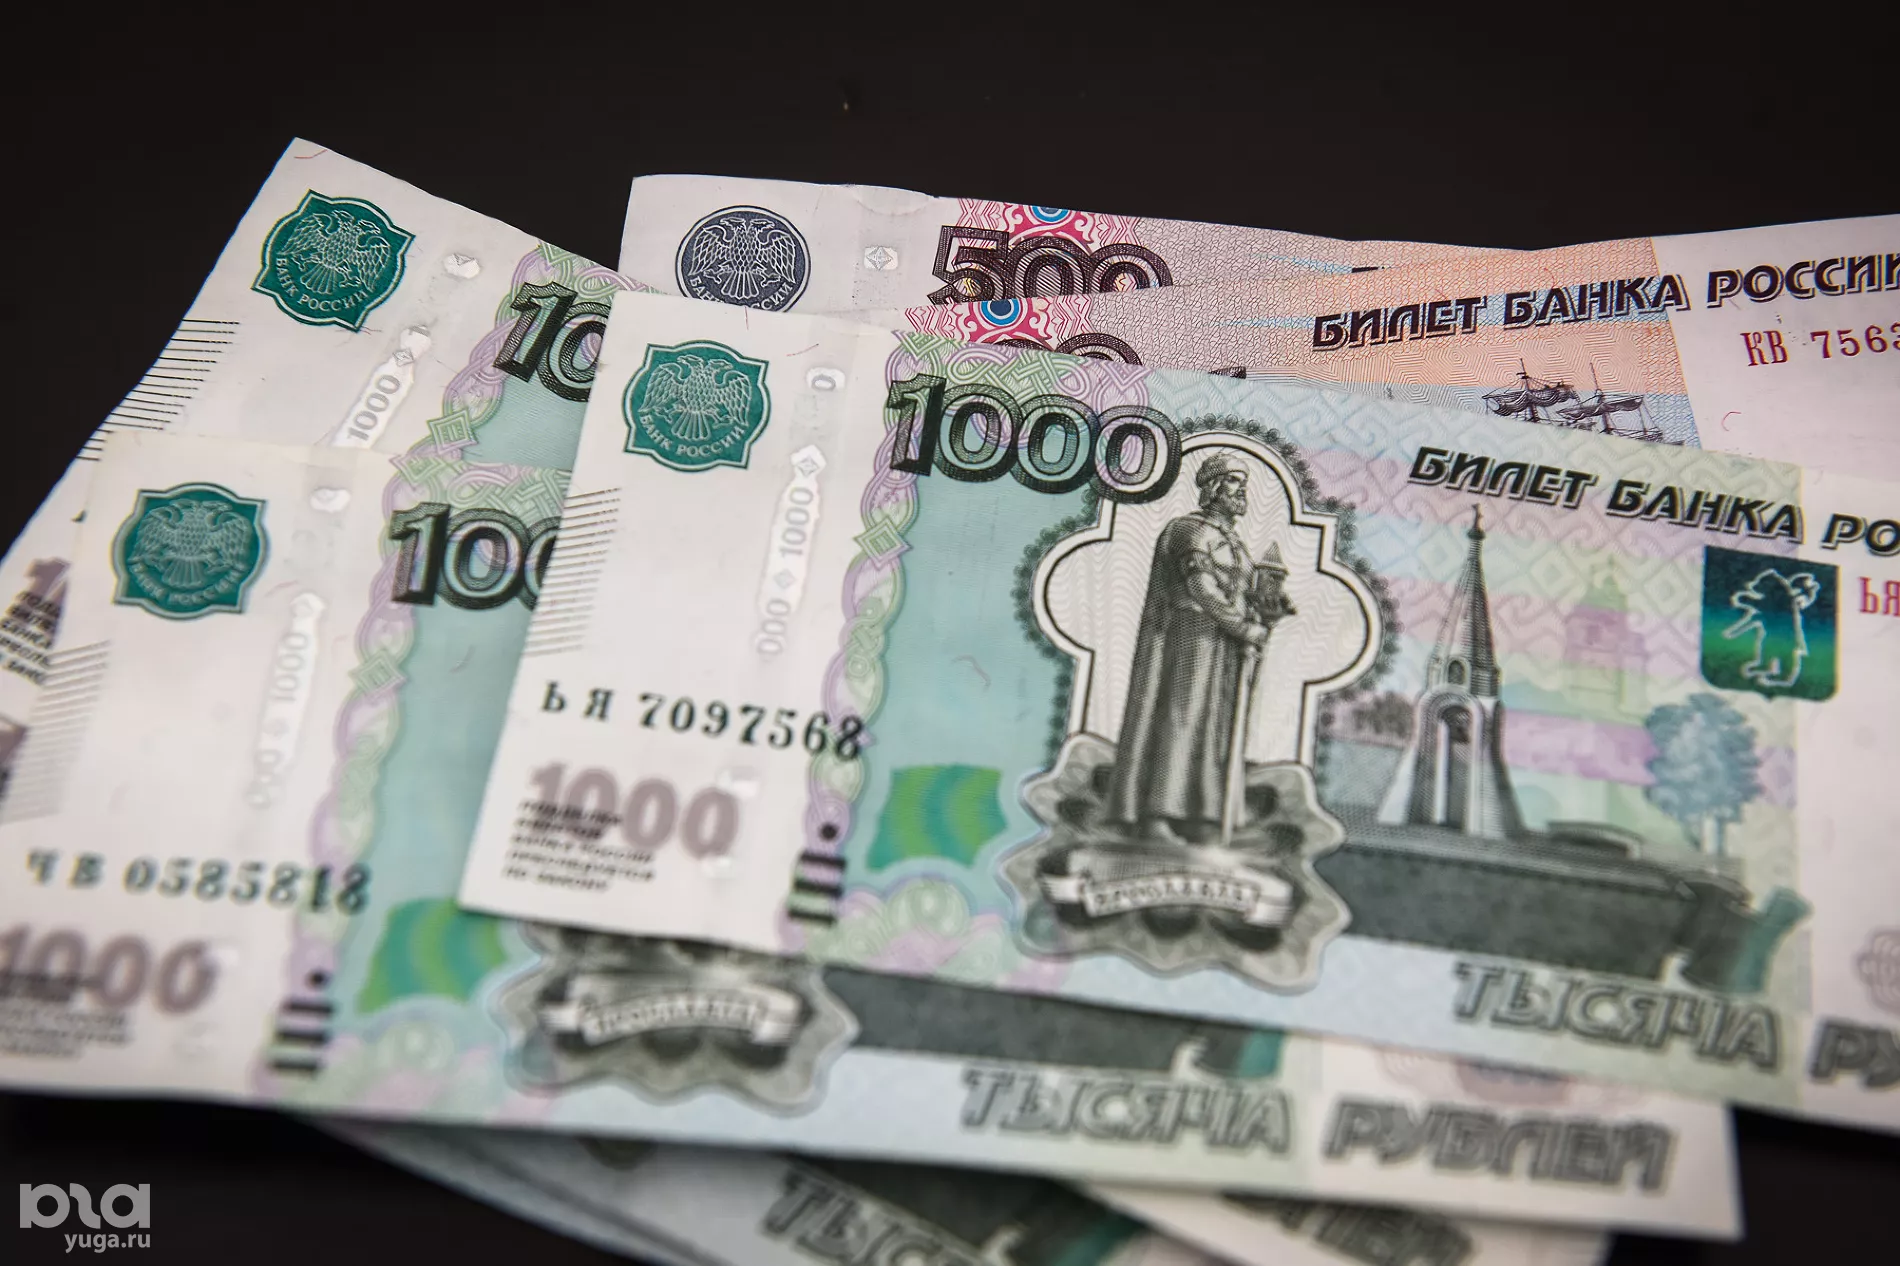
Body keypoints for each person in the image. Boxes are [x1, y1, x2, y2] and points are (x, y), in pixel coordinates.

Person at [1107, 452, 1287, 844]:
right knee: (1181, 717)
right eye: (1234, 482)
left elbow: (1246, 591)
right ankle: (1156, 814)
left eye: (1243, 483)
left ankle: (1200, 813)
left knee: (1214, 724)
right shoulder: (1189, 531)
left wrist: (1266, 611)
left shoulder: (1235, 543)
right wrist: (1243, 626)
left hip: (1222, 644)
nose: (1241, 491)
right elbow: (1201, 587)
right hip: (1187, 636)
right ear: (1213, 487)